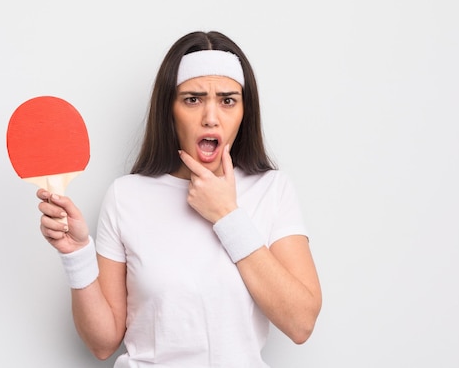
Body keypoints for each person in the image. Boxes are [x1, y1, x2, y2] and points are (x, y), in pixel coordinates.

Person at [36, 30, 322, 367]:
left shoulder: (272, 190)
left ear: (245, 112)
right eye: (193, 99)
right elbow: (102, 343)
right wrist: (76, 255)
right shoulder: (126, 196)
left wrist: (227, 215)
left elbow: (301, 322)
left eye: (228, 100)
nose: (211, 117)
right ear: (169, 110)